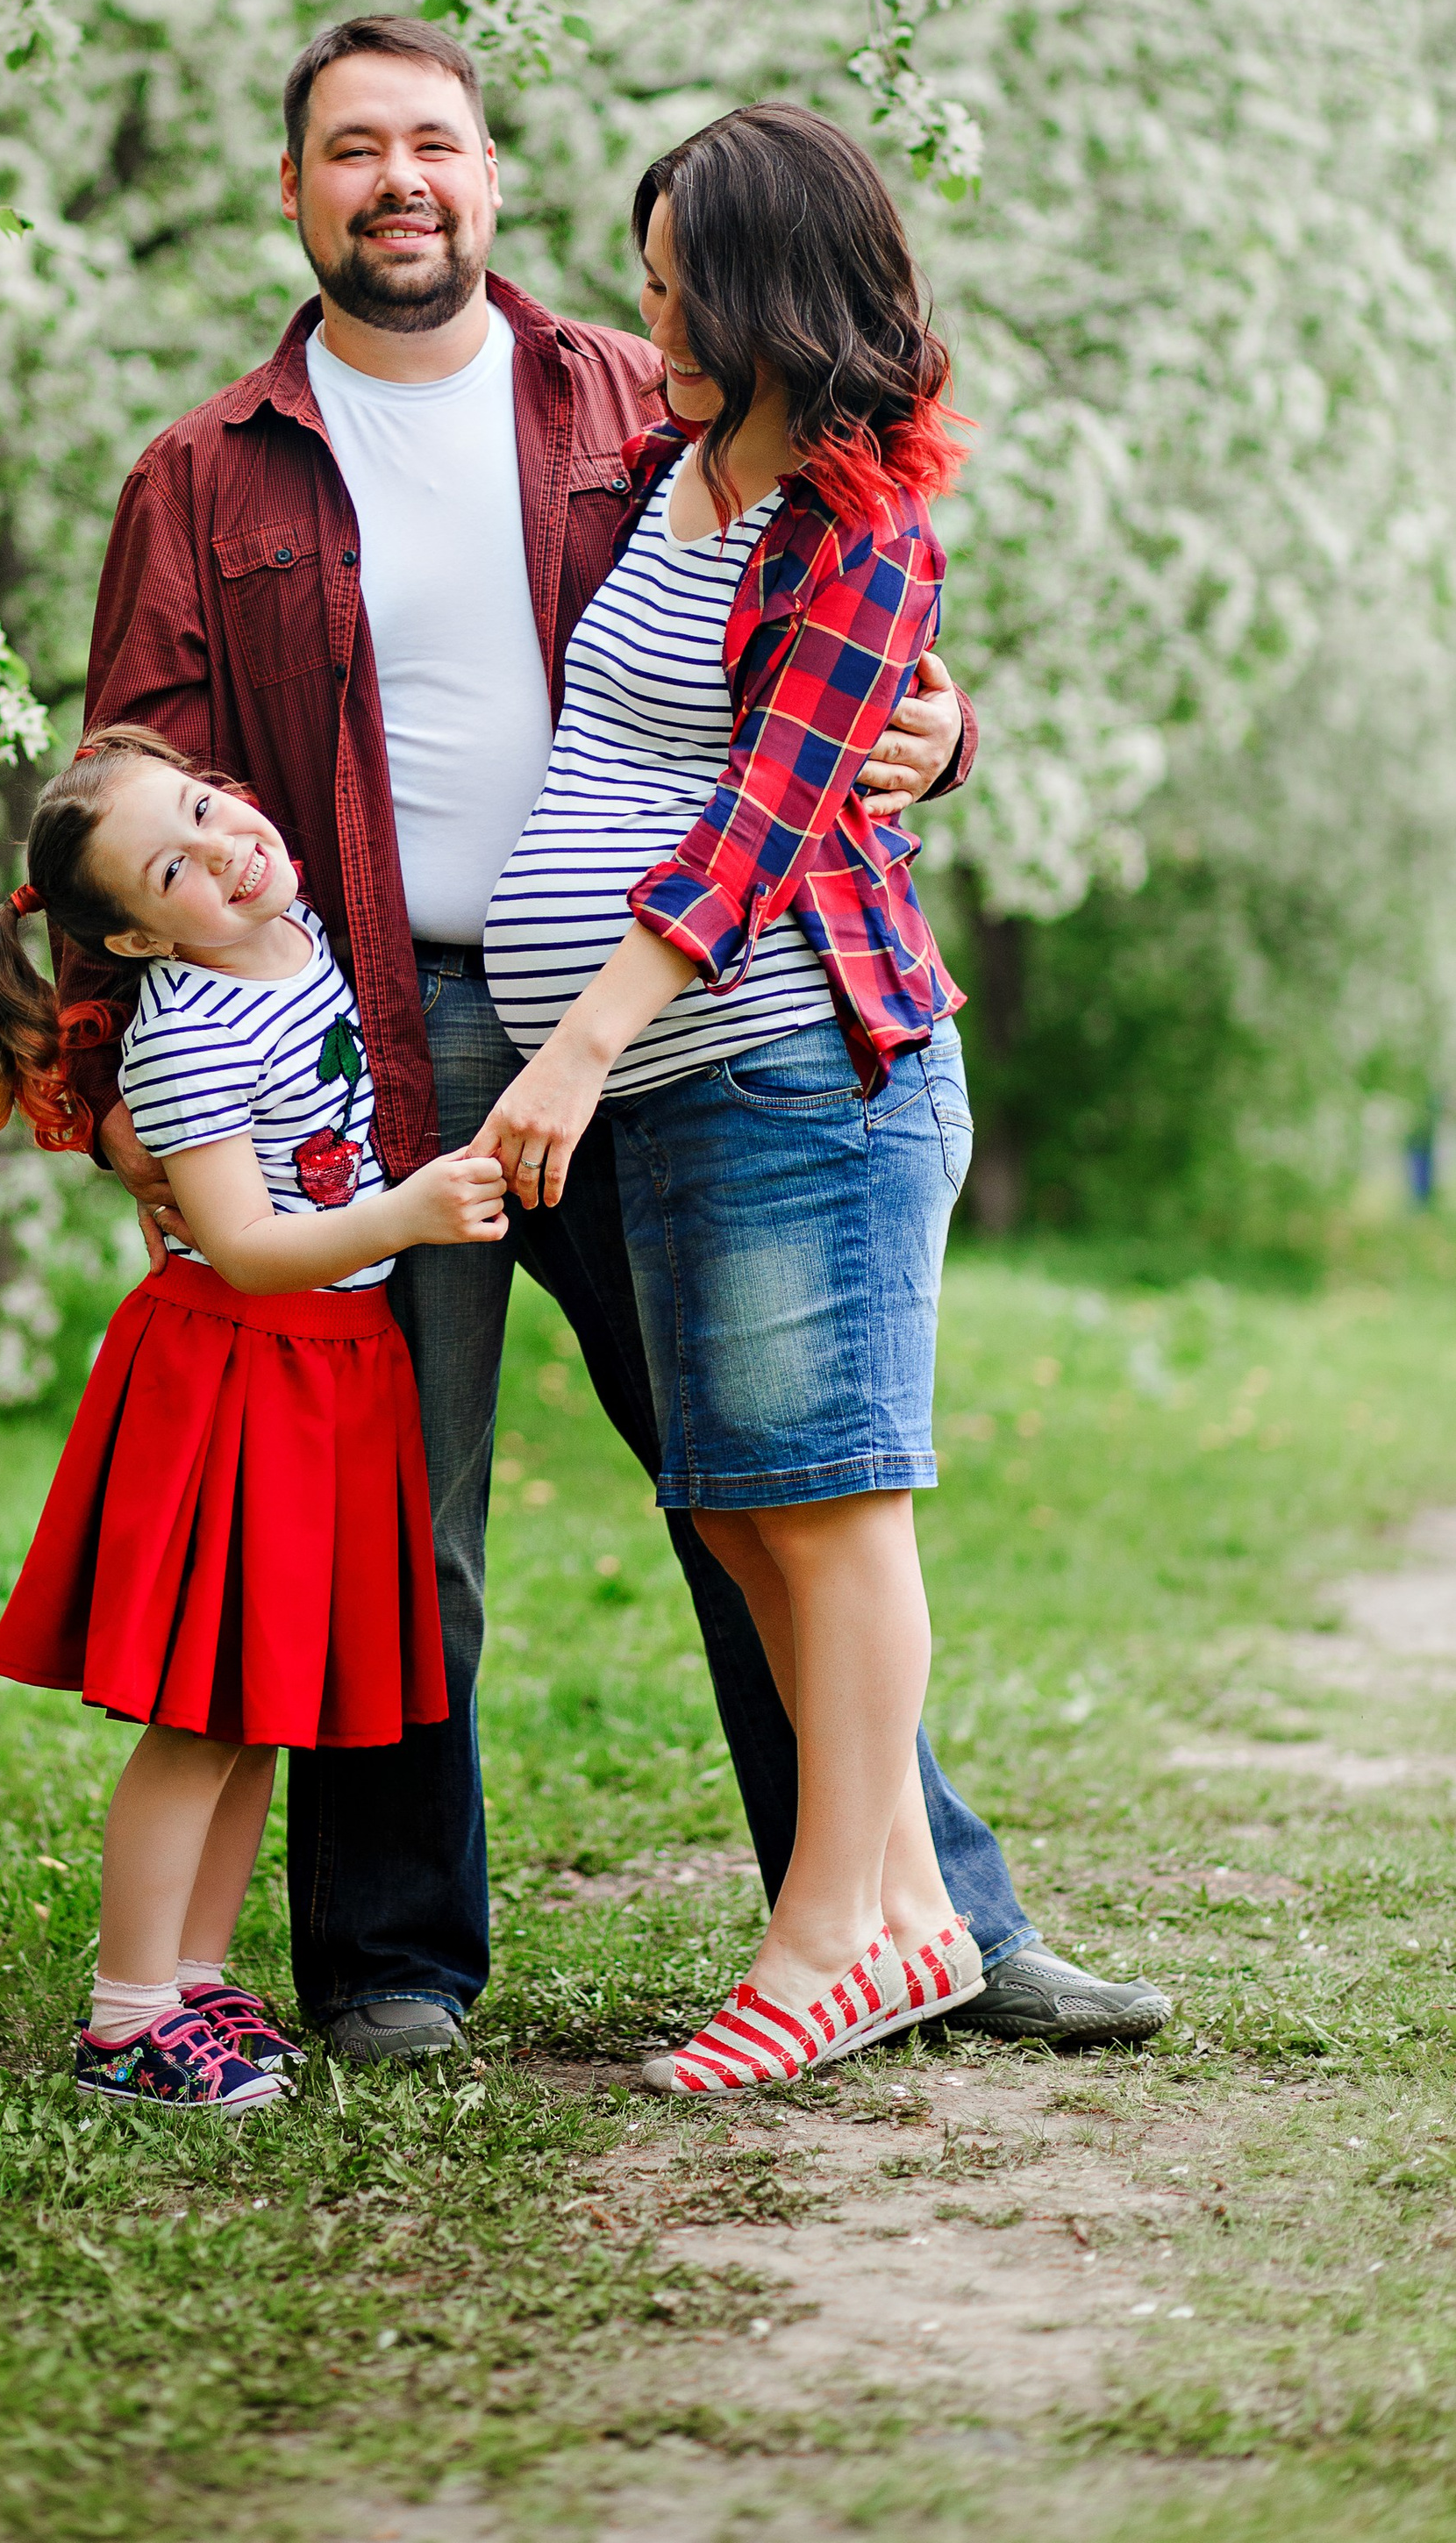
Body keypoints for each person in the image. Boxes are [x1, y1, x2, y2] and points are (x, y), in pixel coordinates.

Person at [53, 15, 1173, 2059]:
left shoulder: (624, 395)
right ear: (290, 194)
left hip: (661, 1035)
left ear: (490, 176)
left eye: (436, 144)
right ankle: (394, 1964)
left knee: (758, 1467)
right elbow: (130, 782)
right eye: (351, 150)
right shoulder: (206, 478)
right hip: (367, 1053)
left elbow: (816, 641)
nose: (400, 180)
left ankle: (920, 1910)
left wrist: (941, 728)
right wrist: (115, 1099)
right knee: (407, 1513)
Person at [478, 103, 987, 2086]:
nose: (653, 322)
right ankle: (914, 1919)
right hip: (687, 1096)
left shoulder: (857, 536)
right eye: (646, 286)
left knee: (831, 1509)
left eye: (683, 292)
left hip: (793, 1074)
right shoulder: (661, 474)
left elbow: (753, 828)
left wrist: (570, 1052)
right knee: (752, 1518)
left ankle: (824, 1933)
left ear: (778, 294)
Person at [0, 725, 508, 2113]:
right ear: (144, 943)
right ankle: (123, 2017)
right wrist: (404, 1215)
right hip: (244, 1366)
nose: (223, 846)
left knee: (261, 1701)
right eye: (176, 865)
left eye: (208, 808)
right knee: (199, 1712)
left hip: (333, 1365)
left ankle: (195, 1982)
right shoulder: (194, 1030)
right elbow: (244, 1243)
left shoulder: (294, 924)